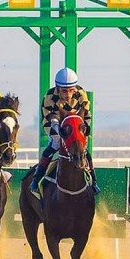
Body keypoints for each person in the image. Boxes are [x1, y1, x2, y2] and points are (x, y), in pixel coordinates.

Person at [29, 67, 100, 195]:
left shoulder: (81, 93)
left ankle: (94, 181)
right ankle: (36, 178)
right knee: (55, 144)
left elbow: (87, 115)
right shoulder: (50, 96)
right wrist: (60, 132)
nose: (68, 95)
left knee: (83, 148)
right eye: (64, 91)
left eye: (71, 91)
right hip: (54, 124)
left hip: (76, 126)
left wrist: (84, 130)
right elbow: (49, 117)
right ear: (57, 88)